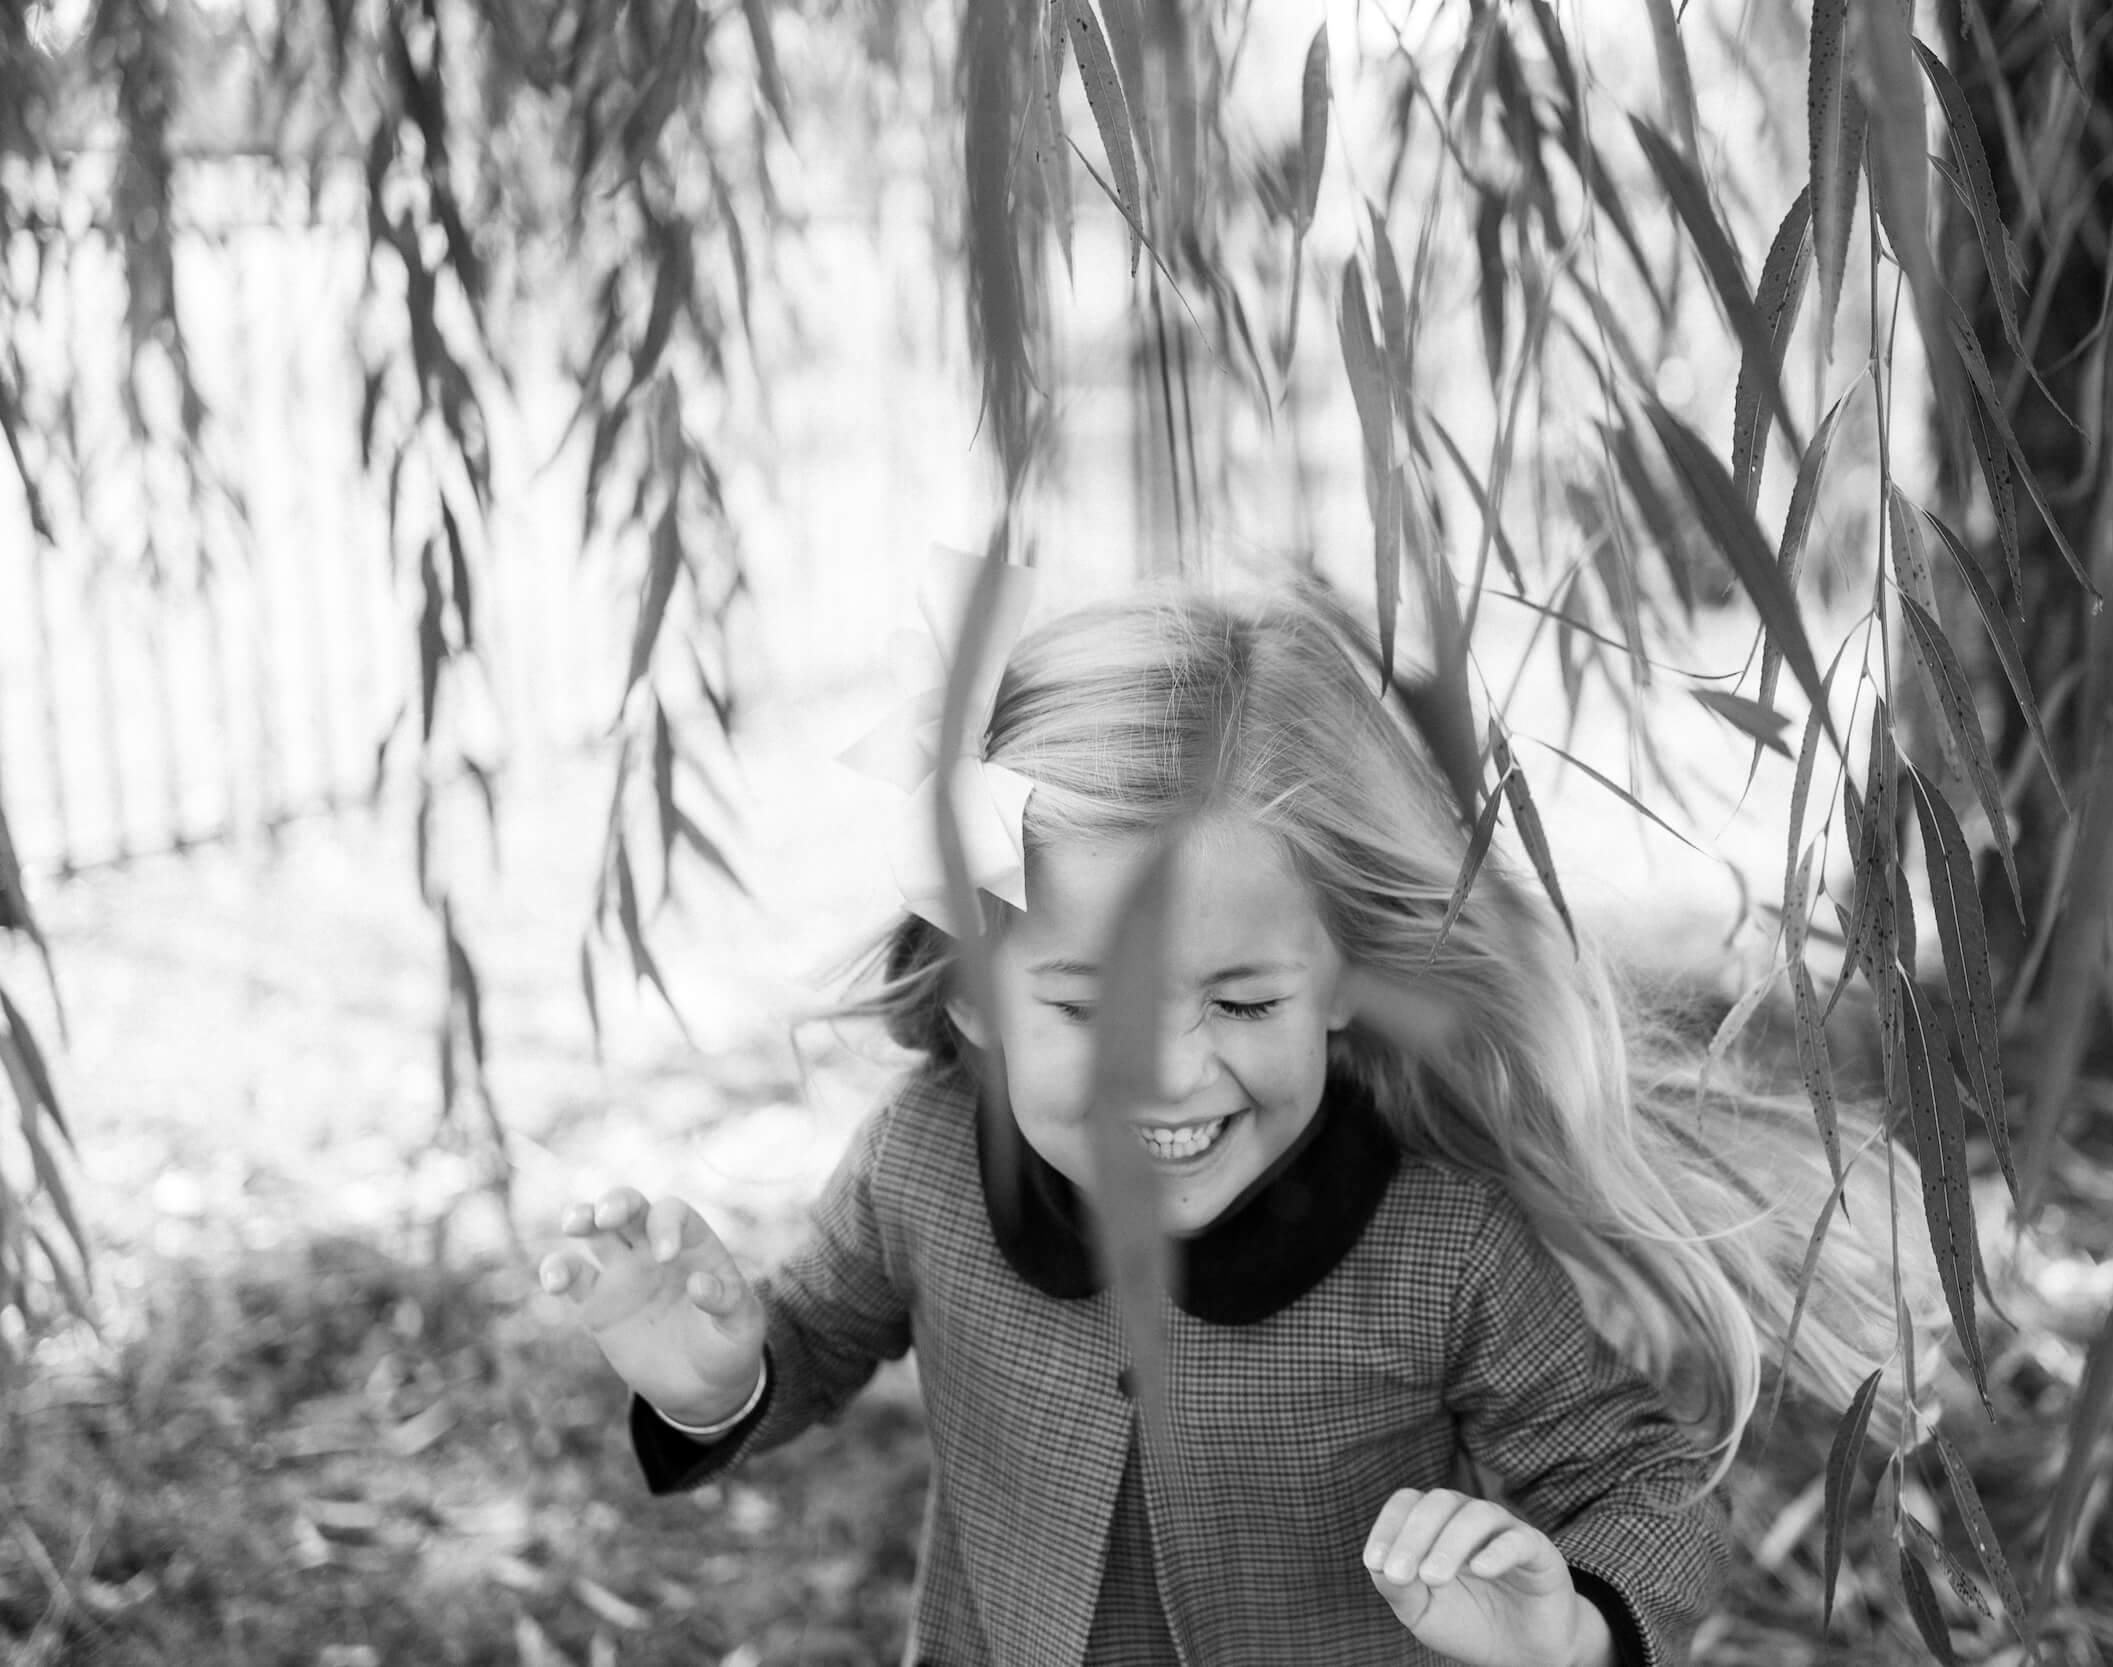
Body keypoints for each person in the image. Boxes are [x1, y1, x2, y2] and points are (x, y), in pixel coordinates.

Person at [539, 577, 1920, 1667]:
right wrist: (713, 1379)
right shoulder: (924, 1164)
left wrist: (1574, 1629)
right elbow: (814, 1342)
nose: (1174, 1074)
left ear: (1340, 979)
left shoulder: (1438, 1246)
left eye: (1243, 1001)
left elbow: (1643, 1481)